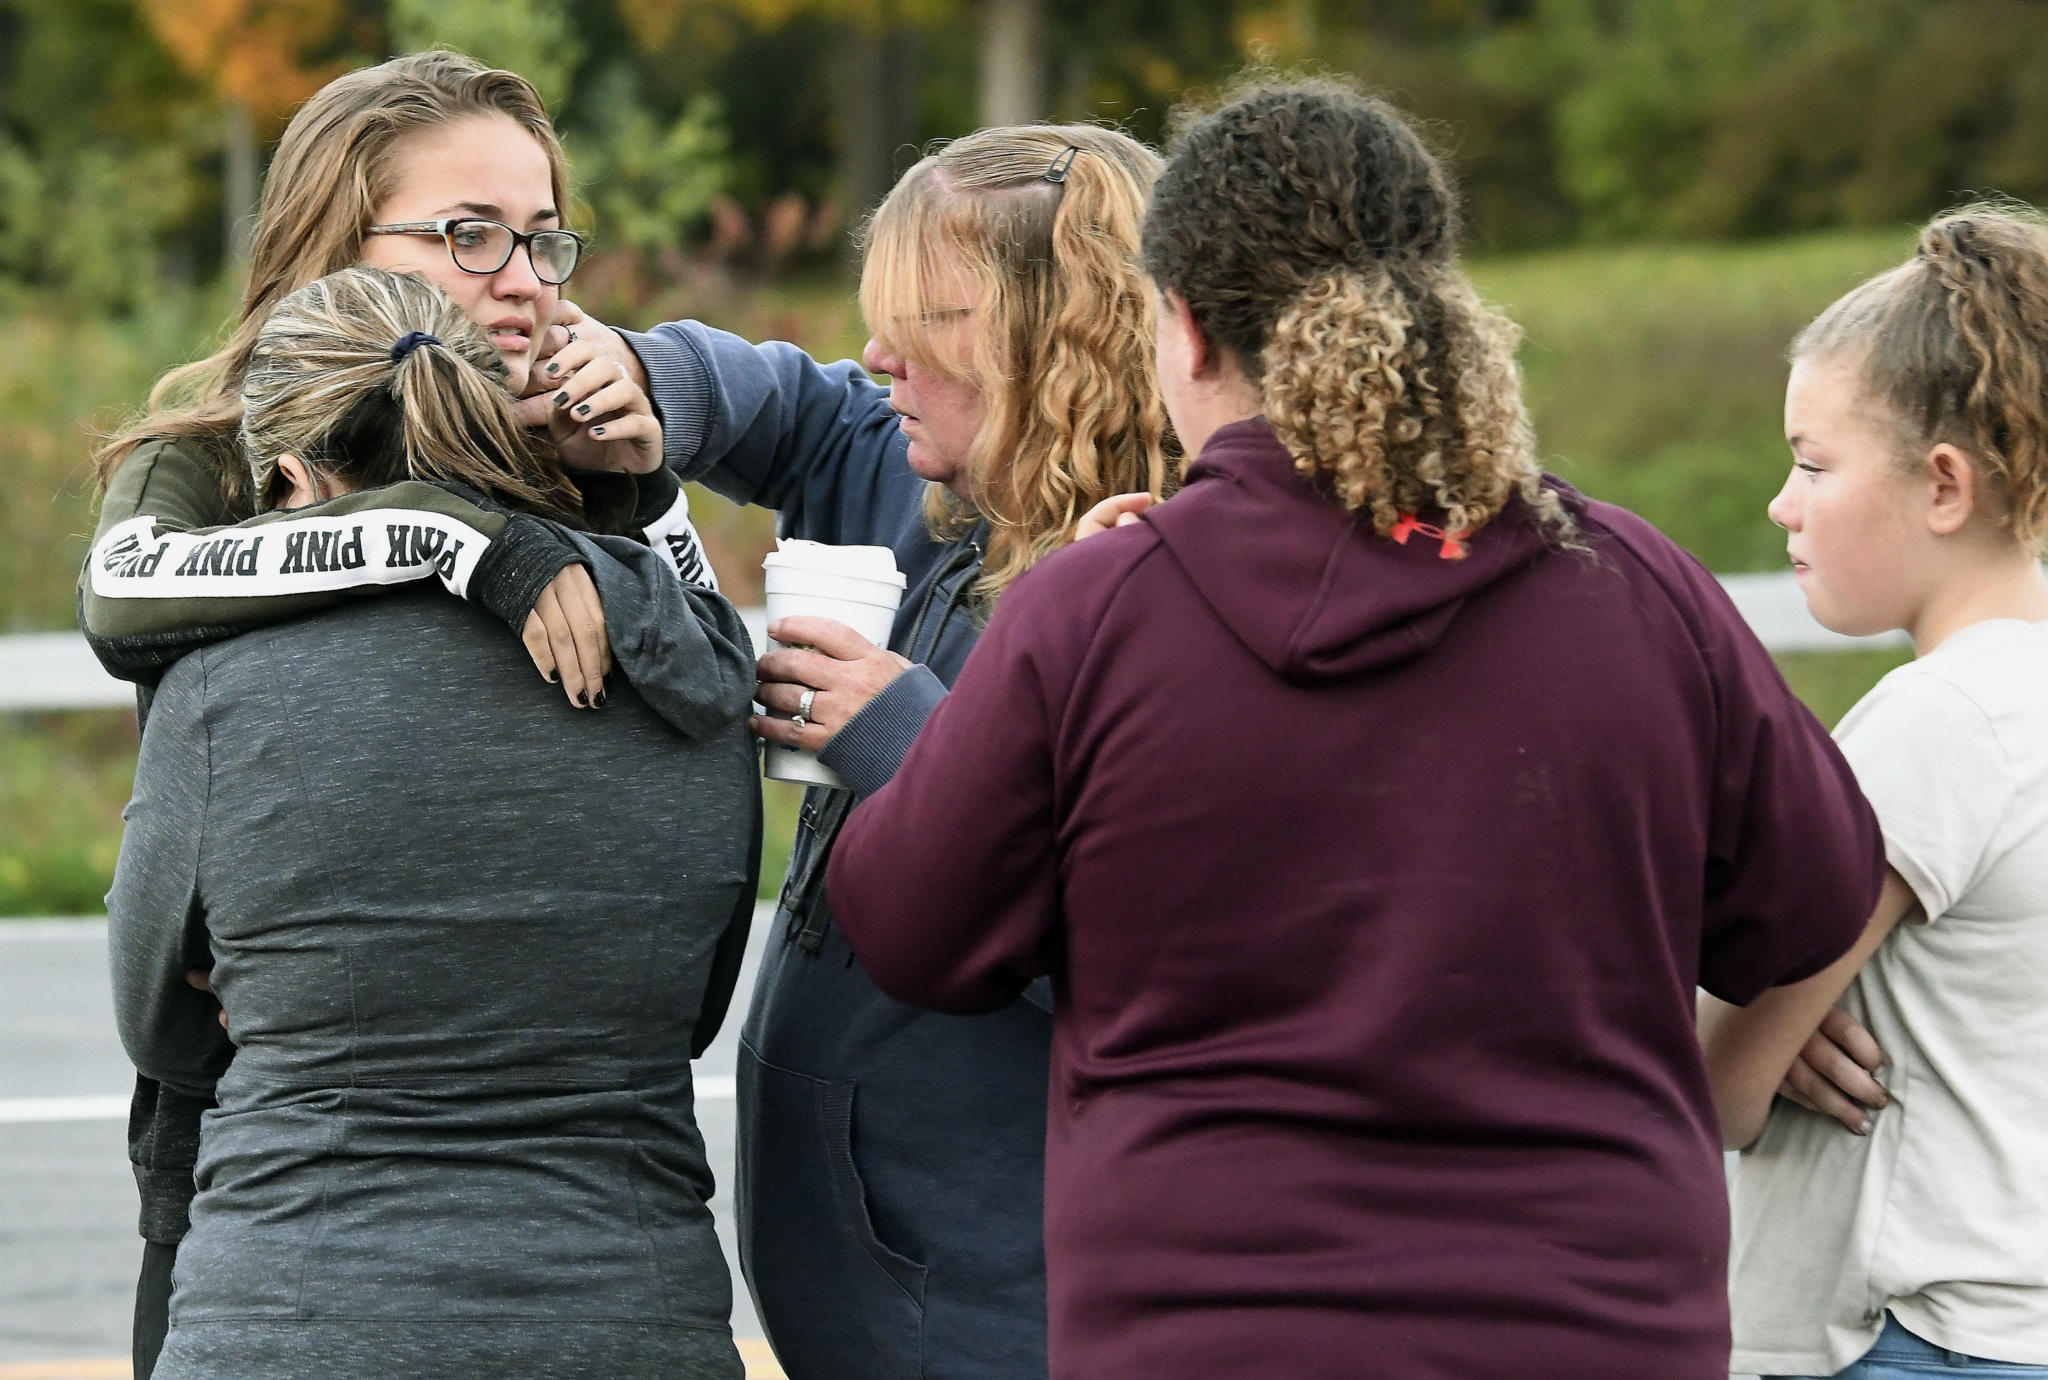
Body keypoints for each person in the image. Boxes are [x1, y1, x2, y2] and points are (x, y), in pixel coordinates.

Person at [822, 80, 1886, 1378]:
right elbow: (1816, 893)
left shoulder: (1096, 614)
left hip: (1211, 1337)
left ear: (1187, 327)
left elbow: (912, 924)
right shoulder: (1632, 586)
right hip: (1595, 1330)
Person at [77, 51, 751, 1379]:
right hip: (242, 1136)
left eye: (543, 237)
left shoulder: (578, 458)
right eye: (469, 234)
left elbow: (711, 678)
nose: (524, 277)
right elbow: (121, 589)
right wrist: (464, 542)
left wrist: (651, 485)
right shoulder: (218, 450)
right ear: (332, 245)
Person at [557, 123, 1170, 1378]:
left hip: (1013, 1311)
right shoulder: (911, 469)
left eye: (928, 320)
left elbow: (1145, 957)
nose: (881, 354)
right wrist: (644, 373)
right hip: (871, 1295)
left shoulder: (1152, 584)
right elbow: (789, 401)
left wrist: (908, 741)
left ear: (1055, 341)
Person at [1701, 208, 2048, 1379]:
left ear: (1942, 485)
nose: (1778, 505)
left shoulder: (1936, 723)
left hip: (1901, 1339)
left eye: (1809, 462)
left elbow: (1708, 1087)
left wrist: (1756, 1020)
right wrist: (1789, 1008)